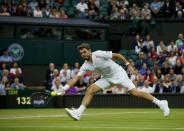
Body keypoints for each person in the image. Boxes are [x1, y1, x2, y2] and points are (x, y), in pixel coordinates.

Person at [63, 43, 170, 121]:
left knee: (135, 93)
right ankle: (78, 113)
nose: (83, 54)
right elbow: (76, 78)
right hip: (107, 78)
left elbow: (117, 56)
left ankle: (161, 103)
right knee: (90, 89)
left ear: (89, 50)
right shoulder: (85, 65)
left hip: (119, 73)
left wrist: (129, 66)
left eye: (84, 51)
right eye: (81, 53)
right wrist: (64, 88)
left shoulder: (98, 54)